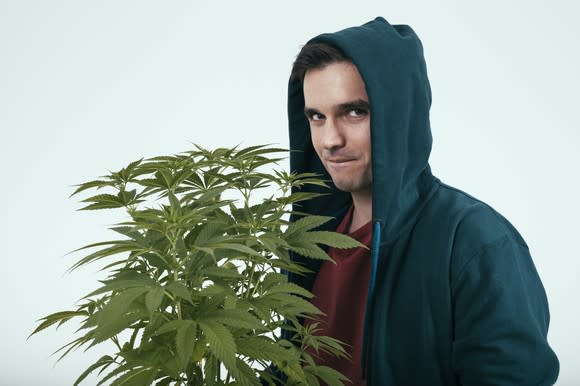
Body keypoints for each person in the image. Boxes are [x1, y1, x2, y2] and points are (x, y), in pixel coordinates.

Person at [283, 16, 559, 385]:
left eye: (354, 112)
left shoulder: (476, 242)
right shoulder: (309, 241)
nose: (330, 139)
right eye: (317, 117)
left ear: (401, 114)